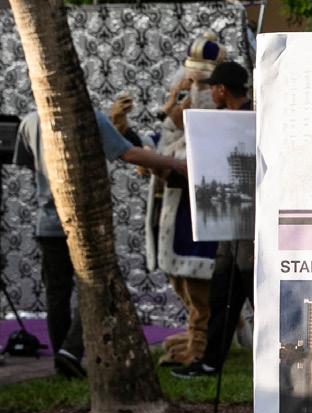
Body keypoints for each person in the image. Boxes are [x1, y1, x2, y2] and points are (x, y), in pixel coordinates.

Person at [13, 108, 188, 378]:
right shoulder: (90, 116)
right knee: (99, 287)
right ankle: (70, 351)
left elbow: (27, 162)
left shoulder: (29, 121)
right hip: (85, 222)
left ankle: (63, 360)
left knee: (57, 295)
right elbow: (129, 153)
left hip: (47, 222)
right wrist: (175, 163)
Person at [145, 32, 224, 367]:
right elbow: (157, 147)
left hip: (197, 218)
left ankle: (200, 344)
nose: (175, 104)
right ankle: (198, 335)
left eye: (199, 85)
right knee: (181, 283)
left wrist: (161, 164)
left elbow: (187, 169)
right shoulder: (174, 131)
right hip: (172, 212)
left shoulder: (218, 127)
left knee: (198, 286)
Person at [172, 61, 254, 380]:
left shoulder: (252, 120)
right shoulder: (227, 120)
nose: (210, 94)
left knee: (252, 290)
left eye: (212, 88)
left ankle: (280, 361)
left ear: (221, 89)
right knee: (222, 296)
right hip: (227, 222)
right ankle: (210, 362)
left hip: (250, 225)